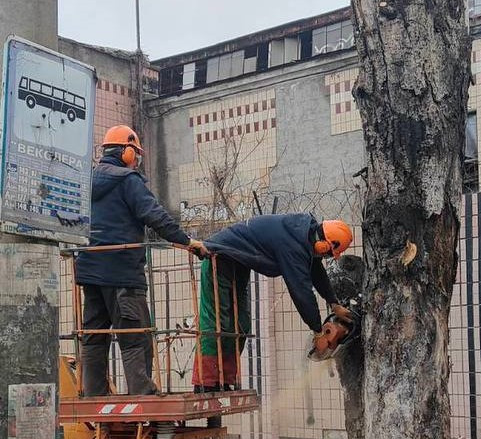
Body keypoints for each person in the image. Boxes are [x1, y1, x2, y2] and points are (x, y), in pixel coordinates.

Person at [75, 125, 192, 396]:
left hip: (90, 272)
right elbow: (155, 216)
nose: (137, 160)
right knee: (135, 336)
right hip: (122, 274)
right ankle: (142, 393)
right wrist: (187, 242)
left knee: (94, 335)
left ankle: (95, 394)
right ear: (126, 152)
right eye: (136, 154)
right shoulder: (129, 181)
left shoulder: (86, 182)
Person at [188, 213, 353, 392]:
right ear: (323, 243)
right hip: (218, 258)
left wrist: (334, 303)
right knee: (218, 322)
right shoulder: (292, 244)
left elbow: (316, 270)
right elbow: (301, 292)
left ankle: (223, 380)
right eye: (328, 254)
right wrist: (318, 332)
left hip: (238, 266)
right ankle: (205, 382)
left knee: (240, 324)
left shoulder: (302, 236)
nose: (326, 257)